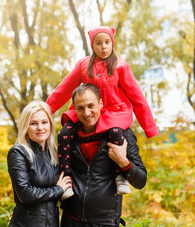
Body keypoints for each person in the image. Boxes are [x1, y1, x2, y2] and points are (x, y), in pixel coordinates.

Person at [46, 26, 158, 198]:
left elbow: (137, 97)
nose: (104, 47)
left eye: (107, 42)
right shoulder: (84, 66)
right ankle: (66, 177)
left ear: (112, 43)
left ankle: (120, 176)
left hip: (114, 113)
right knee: (64, 133)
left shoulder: (121, 66)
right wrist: (44, 110)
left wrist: (149, 128)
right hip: (88, 111)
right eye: (99, 43)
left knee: (116, 132)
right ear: (92, 46)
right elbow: (64, 88)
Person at [59, 83, 148, 226]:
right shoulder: (68, 136)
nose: (86, 113)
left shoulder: (122, 134)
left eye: (91, 106)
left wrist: (123, 162)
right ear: (74, 108)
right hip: (71, 219)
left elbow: (141, 181)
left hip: (105, 221)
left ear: (100, 103)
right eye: (80, 108)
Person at [7, 100, 72, 227]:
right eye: (33, 123)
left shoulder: (54, 153)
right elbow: (25, 194)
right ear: (26, 127)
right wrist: (58, 189)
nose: (40, 128)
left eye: (44, 122)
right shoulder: (18, 152)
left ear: (50, 125)